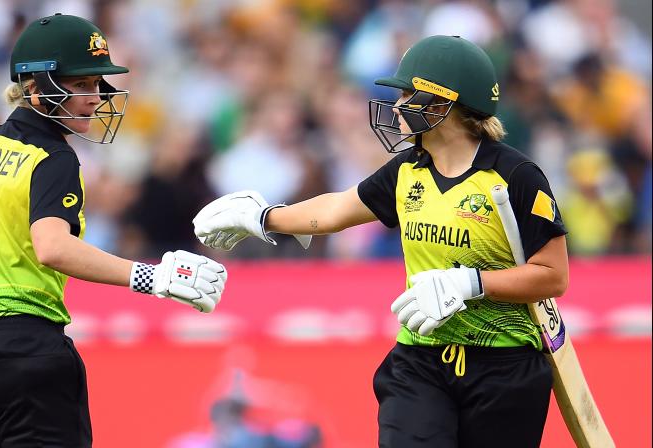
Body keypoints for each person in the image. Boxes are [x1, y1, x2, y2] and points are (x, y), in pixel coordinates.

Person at [193, 35, 568, 448]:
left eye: (409, 95)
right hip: (420, 358)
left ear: (445, 104)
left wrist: (472, 284)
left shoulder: (516, 176)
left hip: (505, 364)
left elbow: (552, 276)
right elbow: (337, 210)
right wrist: (263, 217)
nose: (397, 106)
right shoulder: (407, 170)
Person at [0, 14, 227, 447]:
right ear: (36, 90)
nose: (95, 98)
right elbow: (53, 247)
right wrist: (151, 276)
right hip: (27, 354)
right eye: (79, 86)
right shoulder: (54, 158)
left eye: (97, 85)